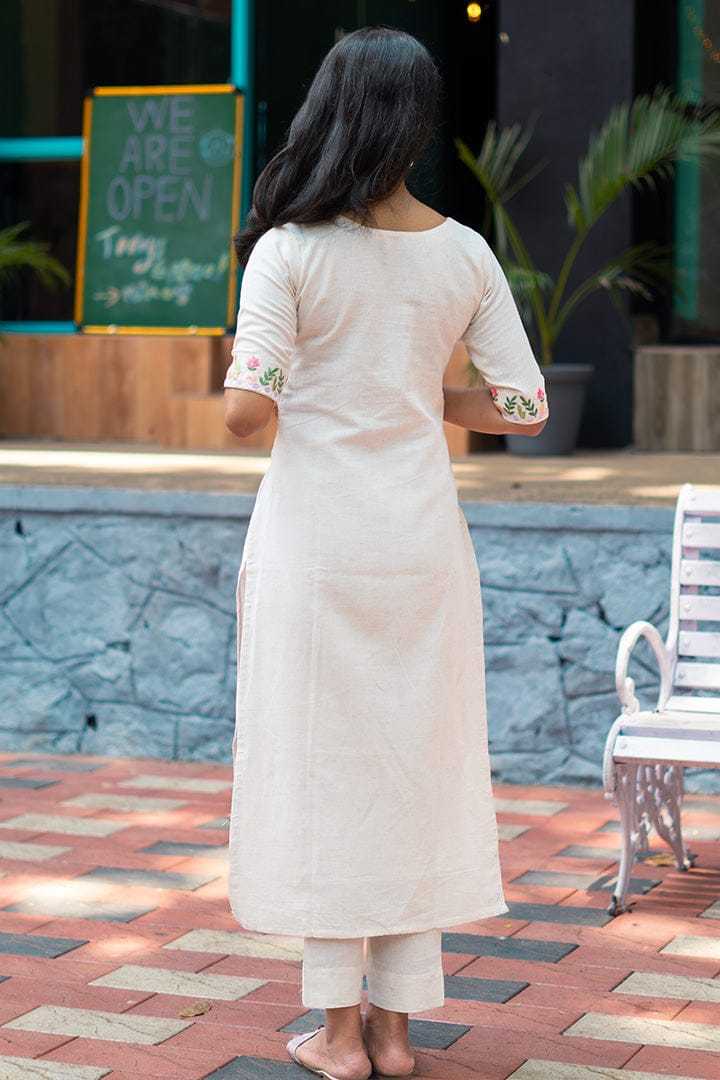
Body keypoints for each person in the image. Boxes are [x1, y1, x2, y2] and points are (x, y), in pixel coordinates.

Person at [223, 24, 549, 1080]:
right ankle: (400, 1032)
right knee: (415, 769)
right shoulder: (464, 252)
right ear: (415, 124)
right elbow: (525, 407)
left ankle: (337, 1034)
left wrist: (267, 375)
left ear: (329, 113)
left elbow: (245, 413)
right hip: (419, 546)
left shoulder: (288, 251)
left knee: (319, 770)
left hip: (316, 545)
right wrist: (421, 394)